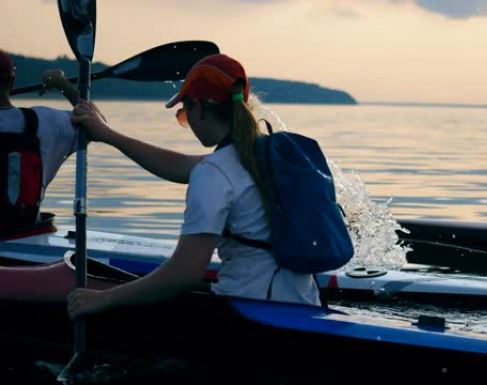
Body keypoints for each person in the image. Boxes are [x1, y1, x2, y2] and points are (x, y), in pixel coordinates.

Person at [67, 53, 321, 319]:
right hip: (306, 302)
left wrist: (103, 299)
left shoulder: (214, 172)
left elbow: (184, 273)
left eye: (183, 114)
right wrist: (107, 135)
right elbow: (178, 165)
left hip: (255, 315)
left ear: (197, 108)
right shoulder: (267, 153)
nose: (186, 123)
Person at [0, 49, 78, 235]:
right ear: (12, 81)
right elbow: (97, 126)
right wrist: (63, 86)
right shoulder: (45, 121)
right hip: (23, 234)